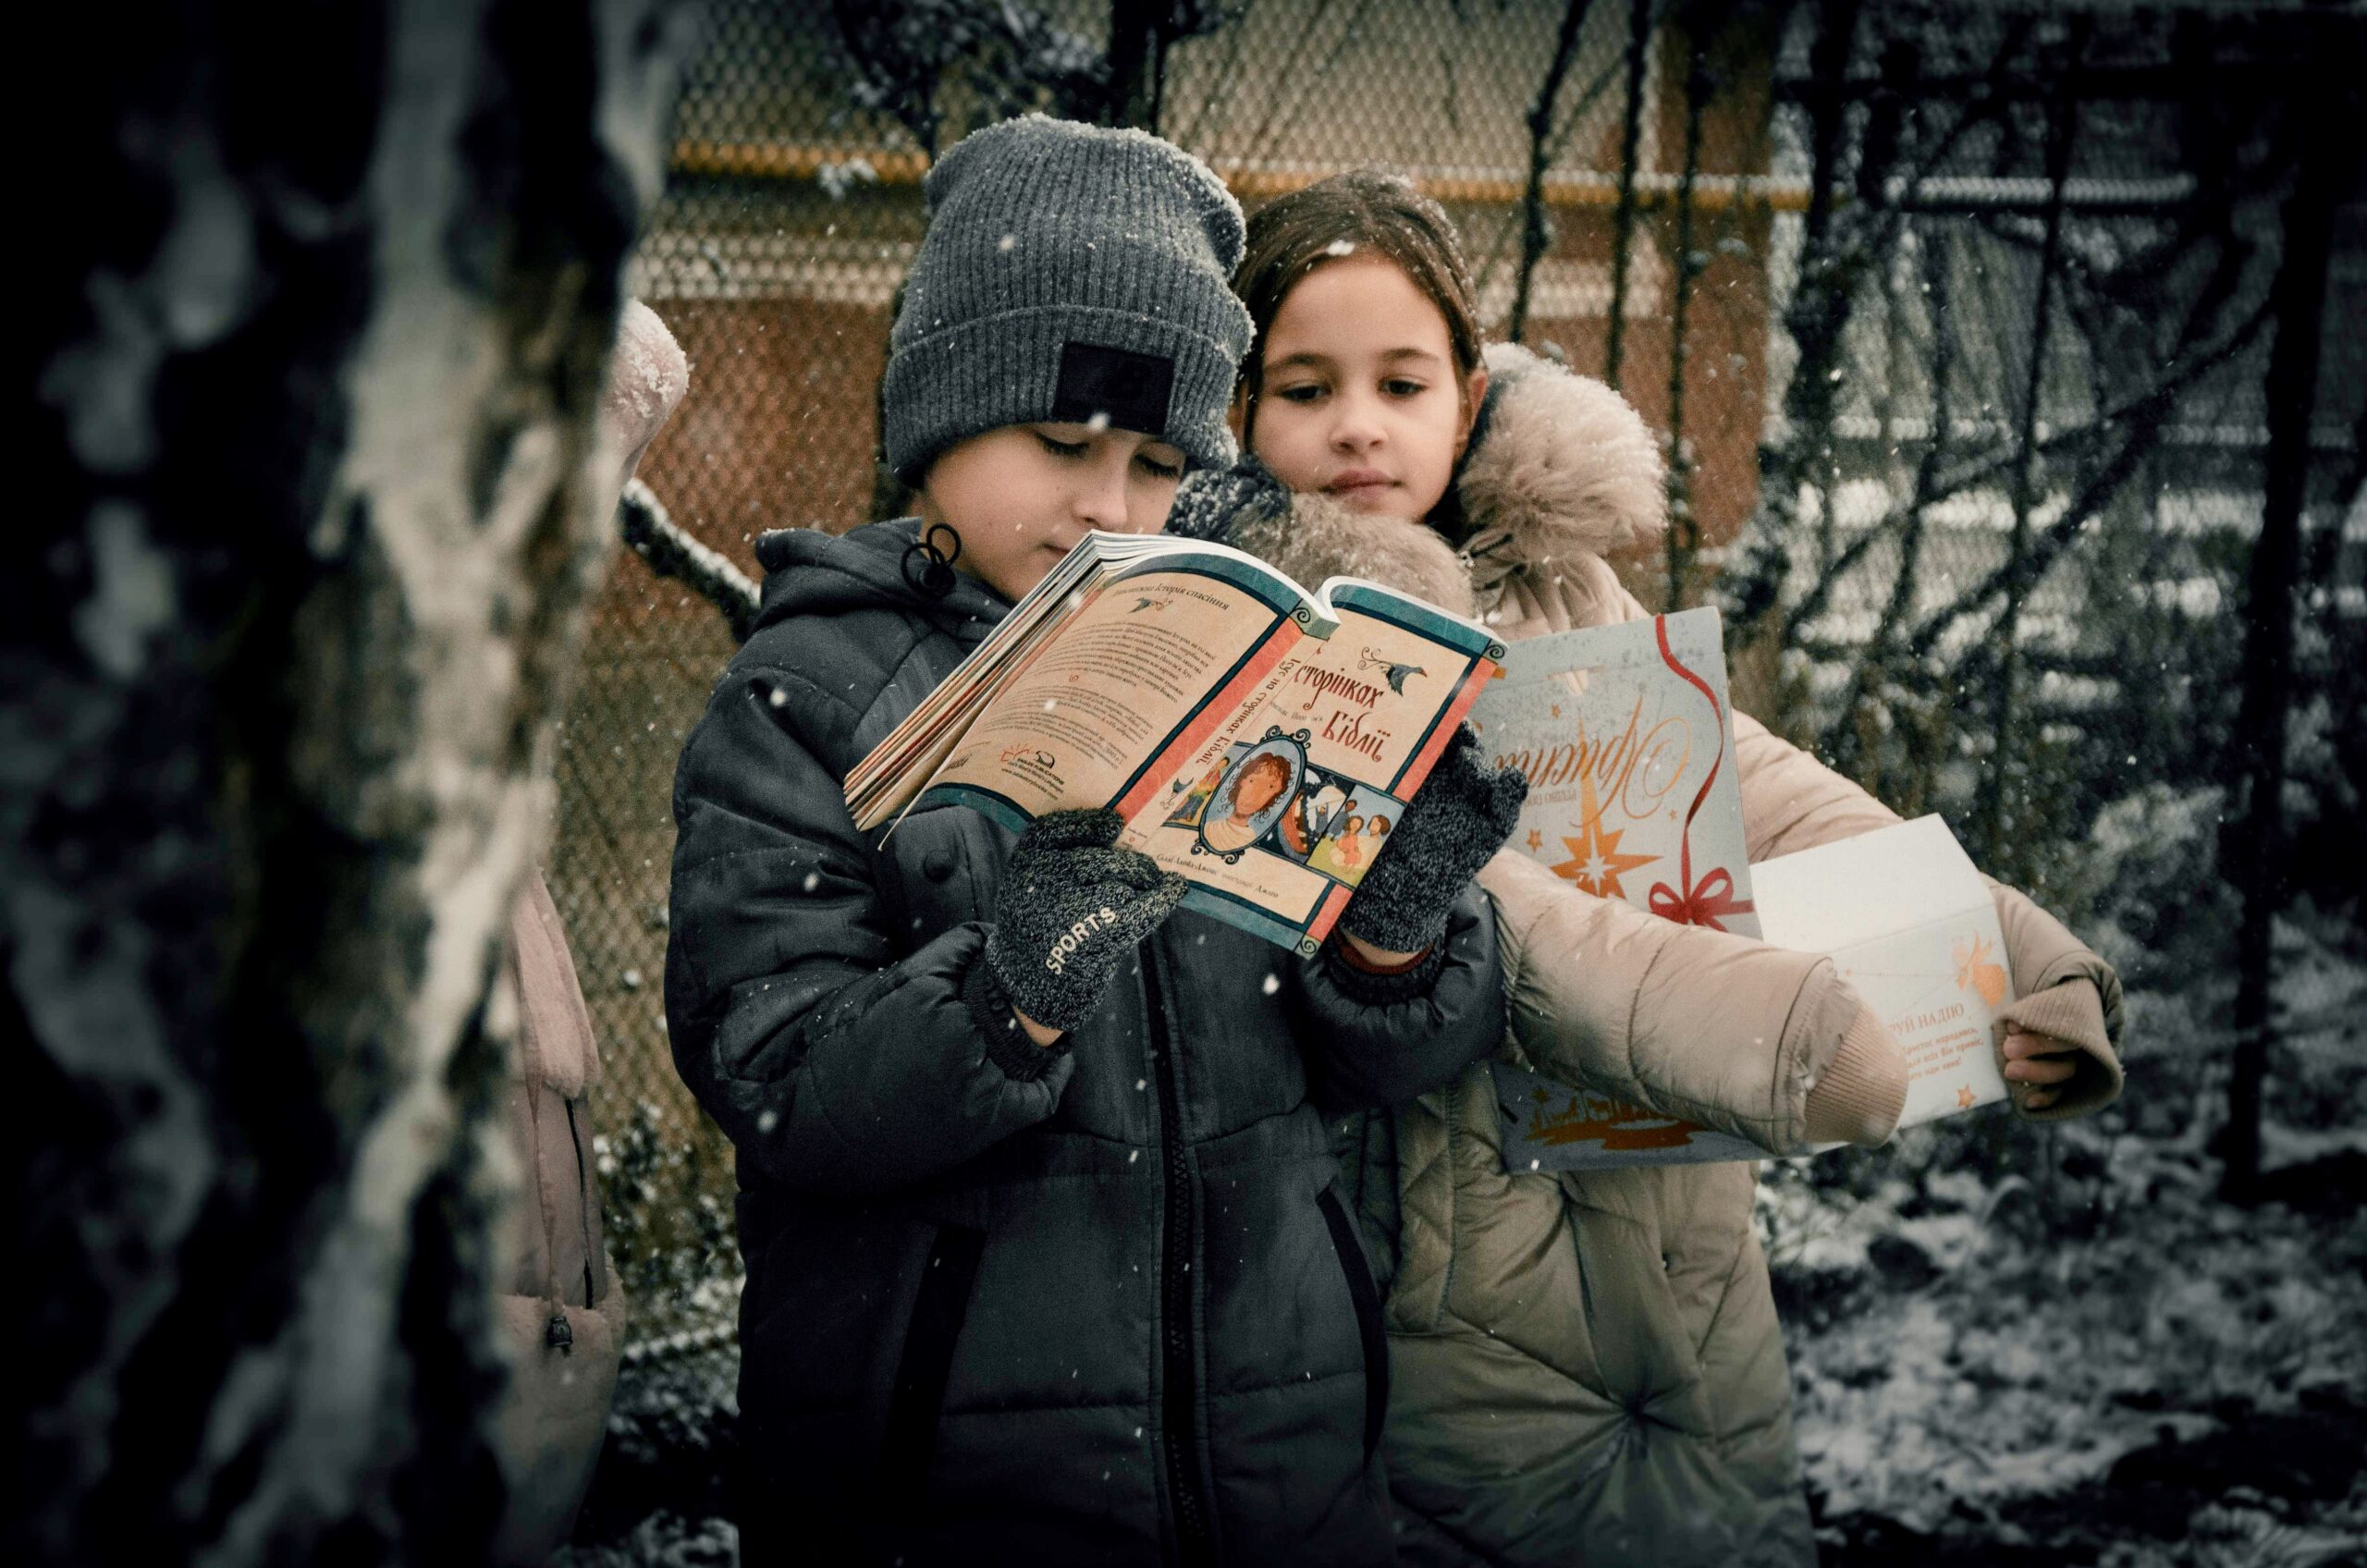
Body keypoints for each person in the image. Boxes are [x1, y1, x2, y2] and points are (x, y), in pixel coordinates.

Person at [1168, 168, 2127, 1567]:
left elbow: (1752, 786)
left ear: (1471, 393)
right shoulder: (1265, 640)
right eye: (1305, 387)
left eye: (1404, 381)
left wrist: (2015, 957)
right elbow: (1498, 908)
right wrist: (1770, 1029)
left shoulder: (1563, 593)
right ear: (1243, 410)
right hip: (1434, 1263)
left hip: (1658, 1239)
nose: (1360, 424)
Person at [663, 120, 1524, 1564]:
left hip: (1279, 1460)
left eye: (1155, 461)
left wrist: (1400, 928)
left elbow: (1382, 1073)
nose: (1106, 506)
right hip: (946, 1485)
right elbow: (777, 1079)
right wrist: (1009, 992)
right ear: (942, 420)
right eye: (1061, 445)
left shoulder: (1241, 655)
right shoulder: (808, 699)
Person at [1201, 750, 1294, 851]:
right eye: (1252, 781)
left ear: (1272, 798)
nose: (1254, 794)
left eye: (1270, 787)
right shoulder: (1208, 828)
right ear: (1242, 781)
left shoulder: (1251, 841)